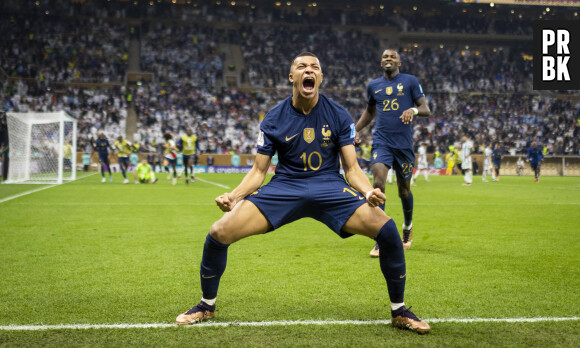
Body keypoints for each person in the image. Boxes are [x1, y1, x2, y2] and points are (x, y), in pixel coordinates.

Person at [175, 52, 430, 334]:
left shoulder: (338, 114)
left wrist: (369, 191)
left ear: (319, 77)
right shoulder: (273, 118)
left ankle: (399, 312)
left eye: (315, 67)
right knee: (218, 232)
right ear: (292, 77)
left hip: (330, 187)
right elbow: (259, 172)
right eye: (302, 66)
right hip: (285, 188)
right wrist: (233, 197)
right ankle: (206, 306)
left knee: (387, 229)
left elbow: (352, 167)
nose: (309, 70)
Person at [355, 48, 431, 255]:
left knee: (404, 190)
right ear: (381, 63)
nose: (388, 60)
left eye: (392, 57)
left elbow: (426, 108)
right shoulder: (373, 86)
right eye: (385, 57)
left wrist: (413, 110)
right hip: (382, 142)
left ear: (399, 63)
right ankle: (381, 237)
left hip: (404, 145)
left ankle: (407, 227)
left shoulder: (410, 81)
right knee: (378, 185)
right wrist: (355, 129)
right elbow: (370, 112)